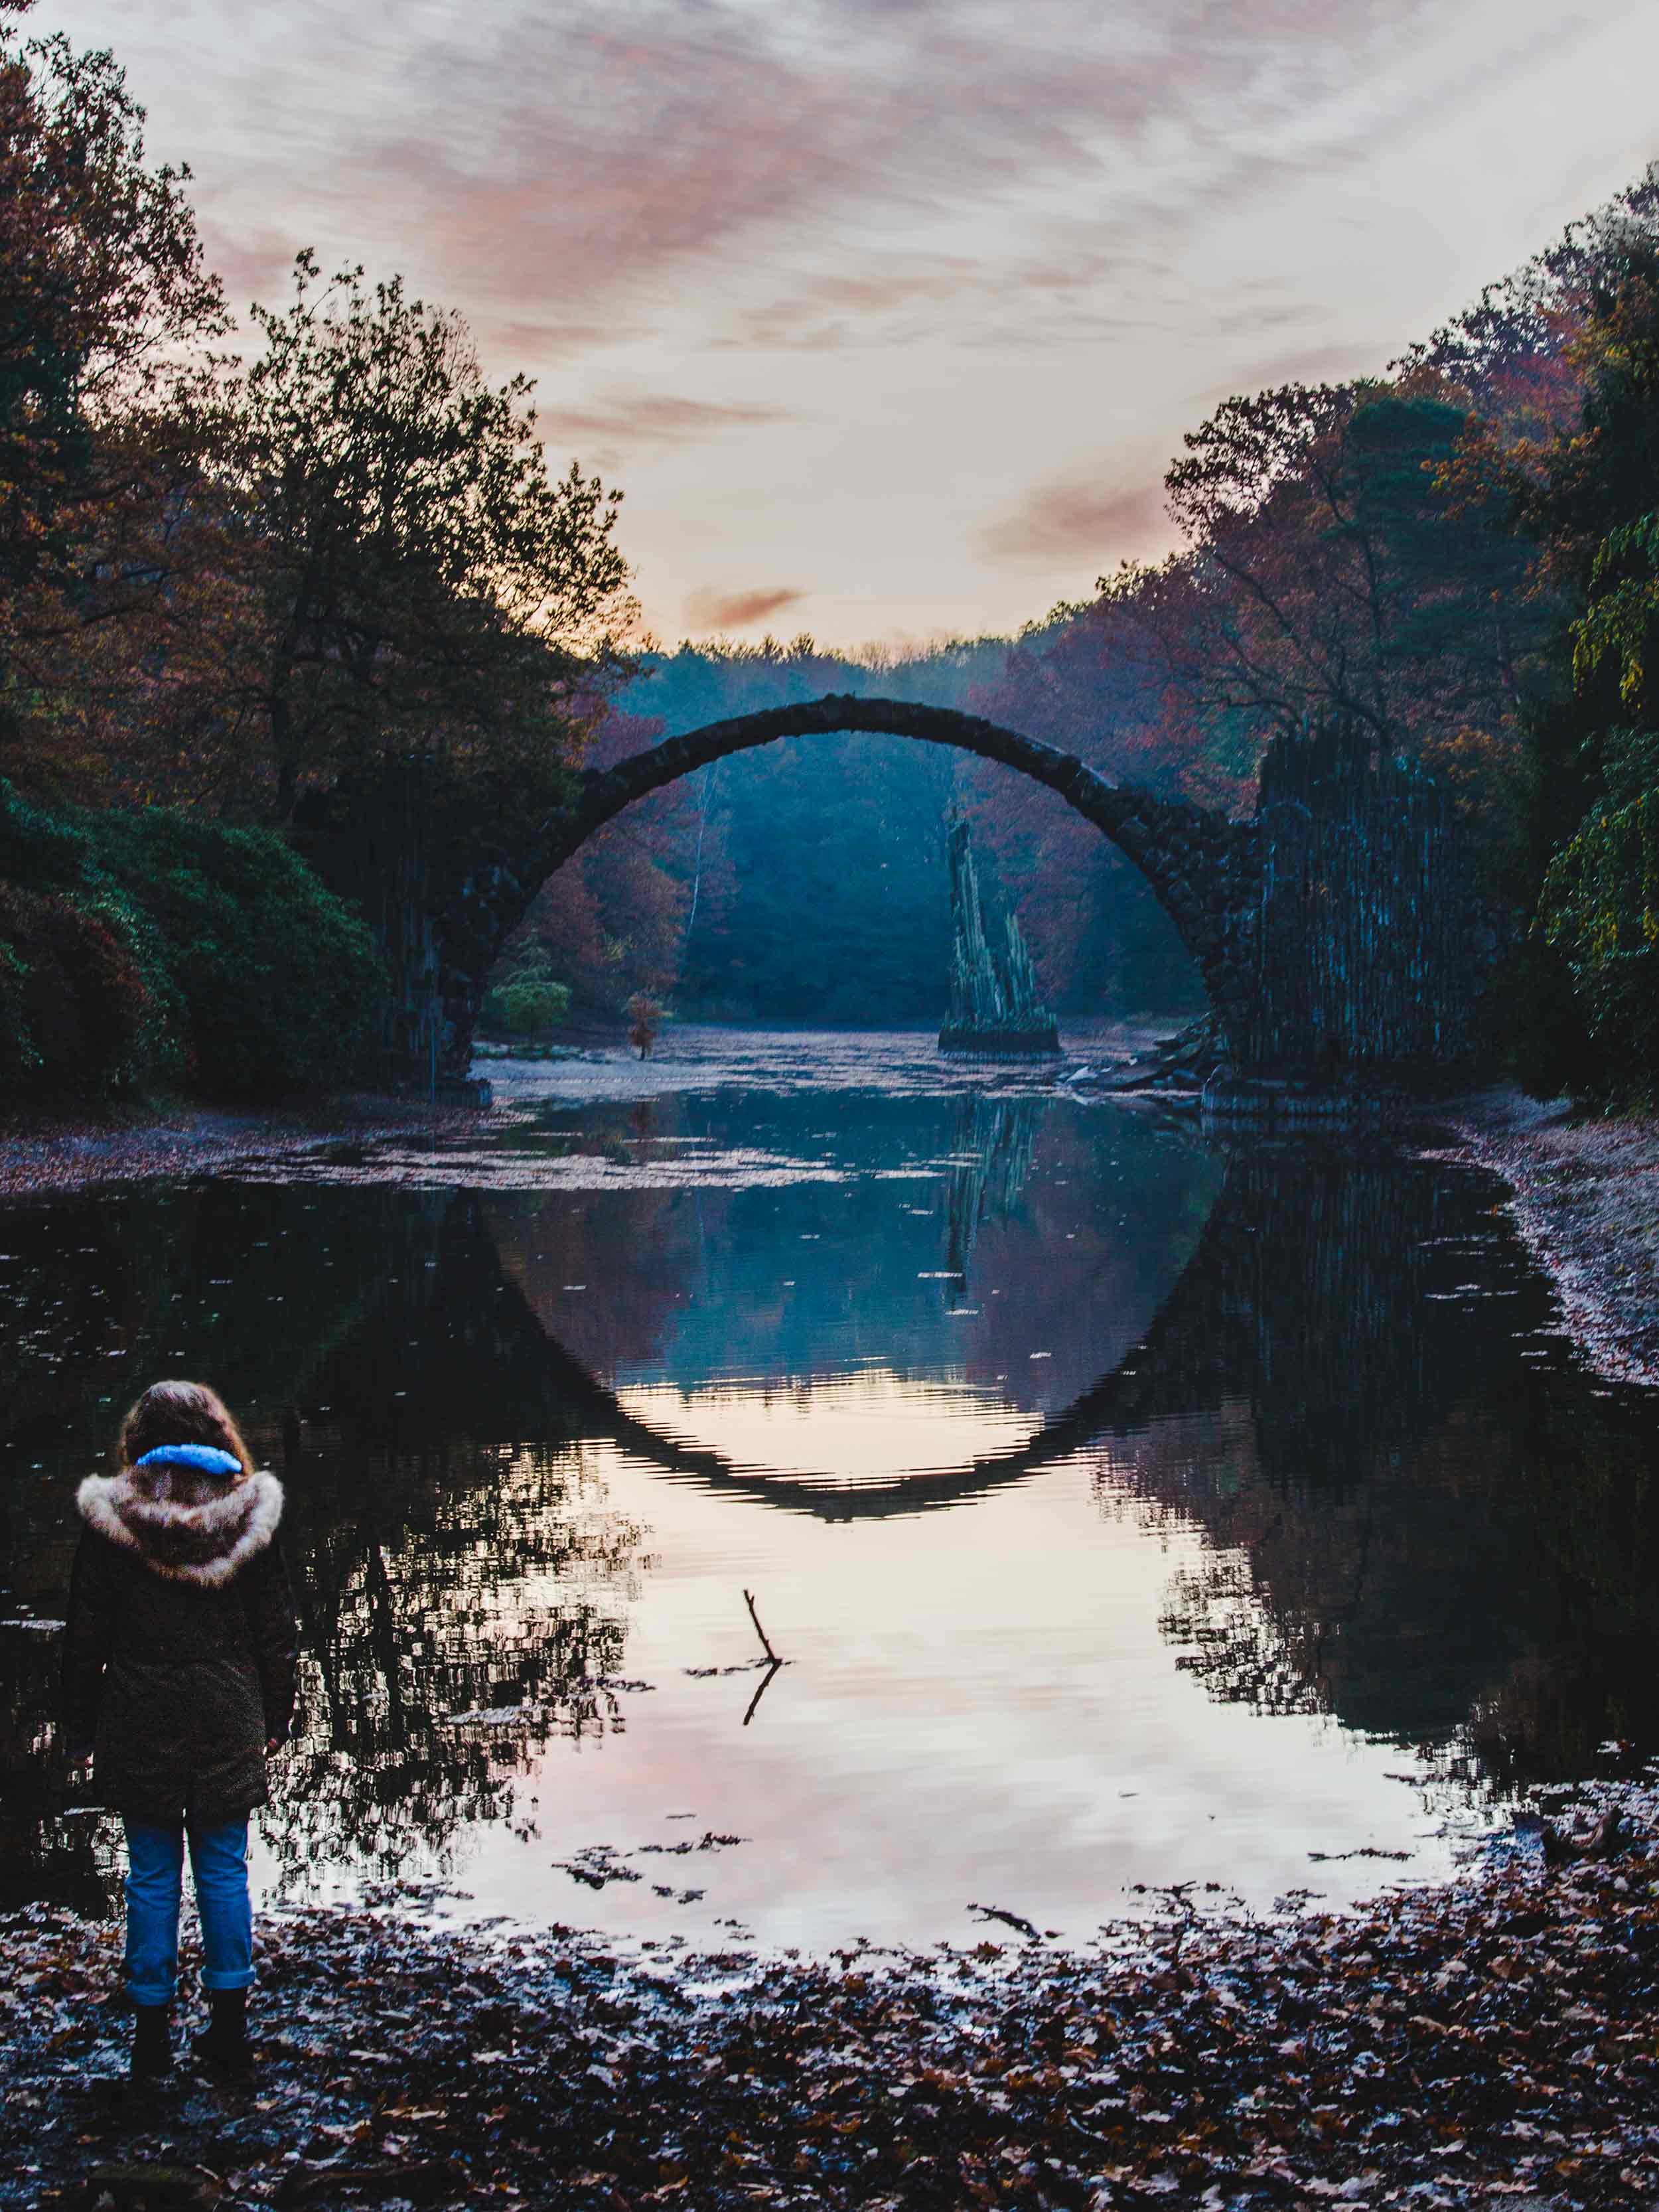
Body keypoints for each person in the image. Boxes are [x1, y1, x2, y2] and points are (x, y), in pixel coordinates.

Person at [62, 1380, 298, 2082]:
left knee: (153, 1875)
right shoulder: (249, 1519)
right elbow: (275, 1634)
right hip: (229, 1715)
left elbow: (84, 1637)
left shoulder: (113, 1522)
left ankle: (150, 2036)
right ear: (221, 1435)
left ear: (139, 1439)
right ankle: (228, 2030)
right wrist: (279, 1715)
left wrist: (78, 1727)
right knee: (224, 1868)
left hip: (140, 1717)